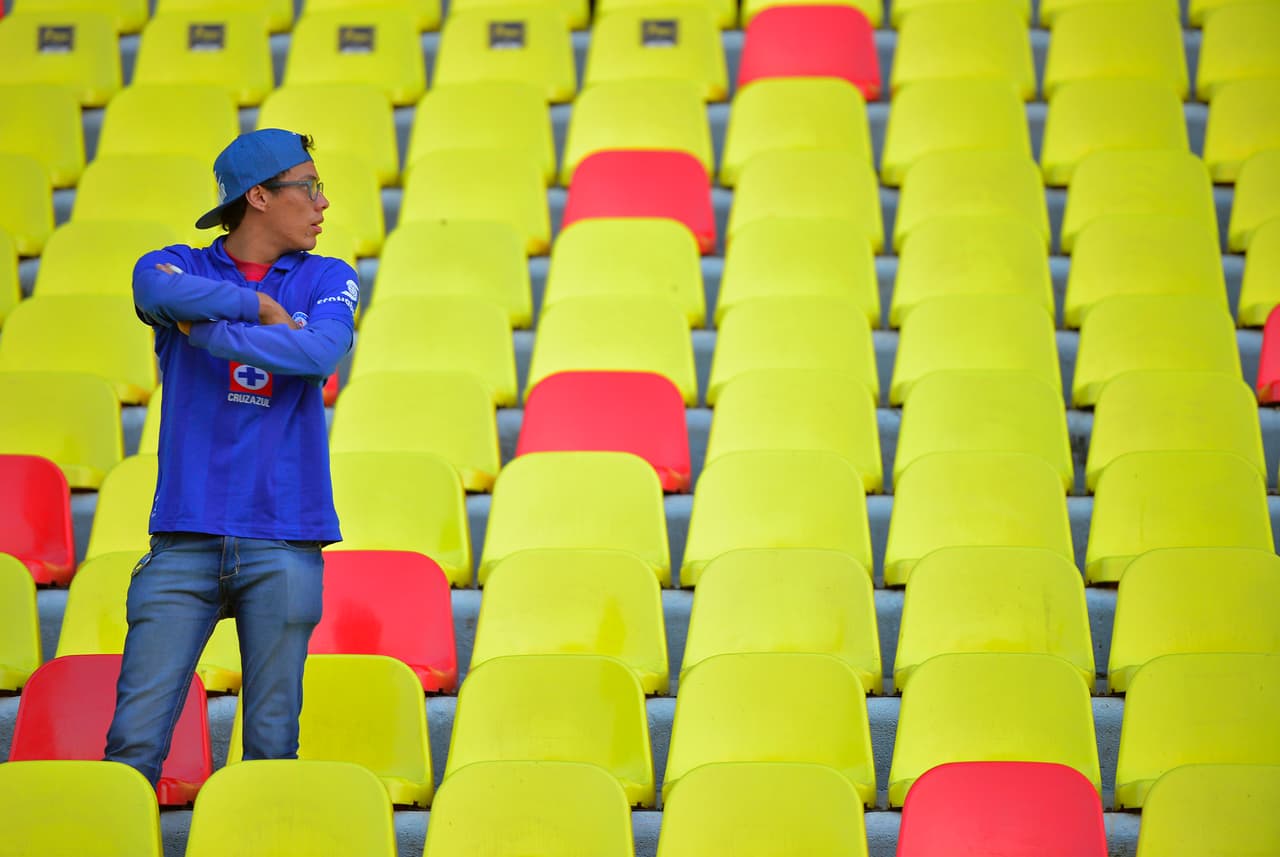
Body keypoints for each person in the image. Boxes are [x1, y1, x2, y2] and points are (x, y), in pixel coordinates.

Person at [104, 129, 357, 785]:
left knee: (272, 759)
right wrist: (260, 308)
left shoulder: (330, 275)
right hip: (184, 538)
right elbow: (149, 288)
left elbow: (319, 355)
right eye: (310, 186)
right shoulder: (178, 263)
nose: (323, 202)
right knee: (131, 750)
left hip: (285, 540)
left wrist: (205, 330)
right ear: (260, 196)